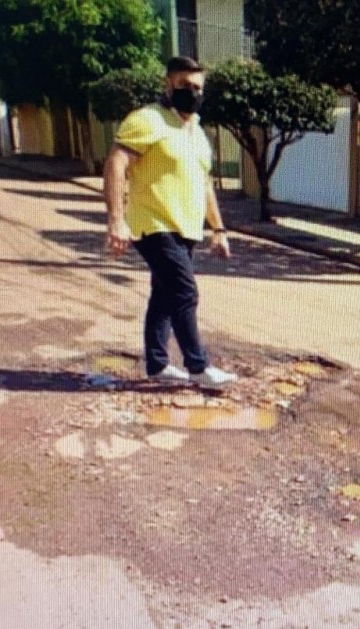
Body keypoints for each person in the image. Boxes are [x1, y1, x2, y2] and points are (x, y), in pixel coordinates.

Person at [103, 56, 237, 389]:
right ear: (168, 85)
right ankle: (198, 367)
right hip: (153, 224)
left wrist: (218, 230)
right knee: (184, 291)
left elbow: (205, 184)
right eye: (184, 86)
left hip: (185, 229)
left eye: (197, 88)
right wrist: (116, 219)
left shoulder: (197, 133)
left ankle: (157, 365)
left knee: (163, 296)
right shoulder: (148, 120)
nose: (191, 93)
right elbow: (116, 162)